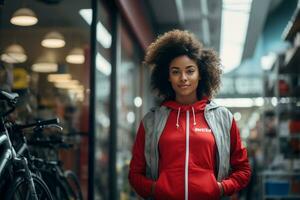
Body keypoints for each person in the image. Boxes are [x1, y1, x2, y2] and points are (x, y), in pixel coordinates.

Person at [128, 30, 251, 200]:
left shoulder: (223, 118)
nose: (183, 78)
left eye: (190, 71)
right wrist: (156, 189)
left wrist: (220, 188)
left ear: (201, 74)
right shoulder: (152, 121)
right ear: (168, 77)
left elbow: (243, 169)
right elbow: (135, 173)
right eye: (176, 71)